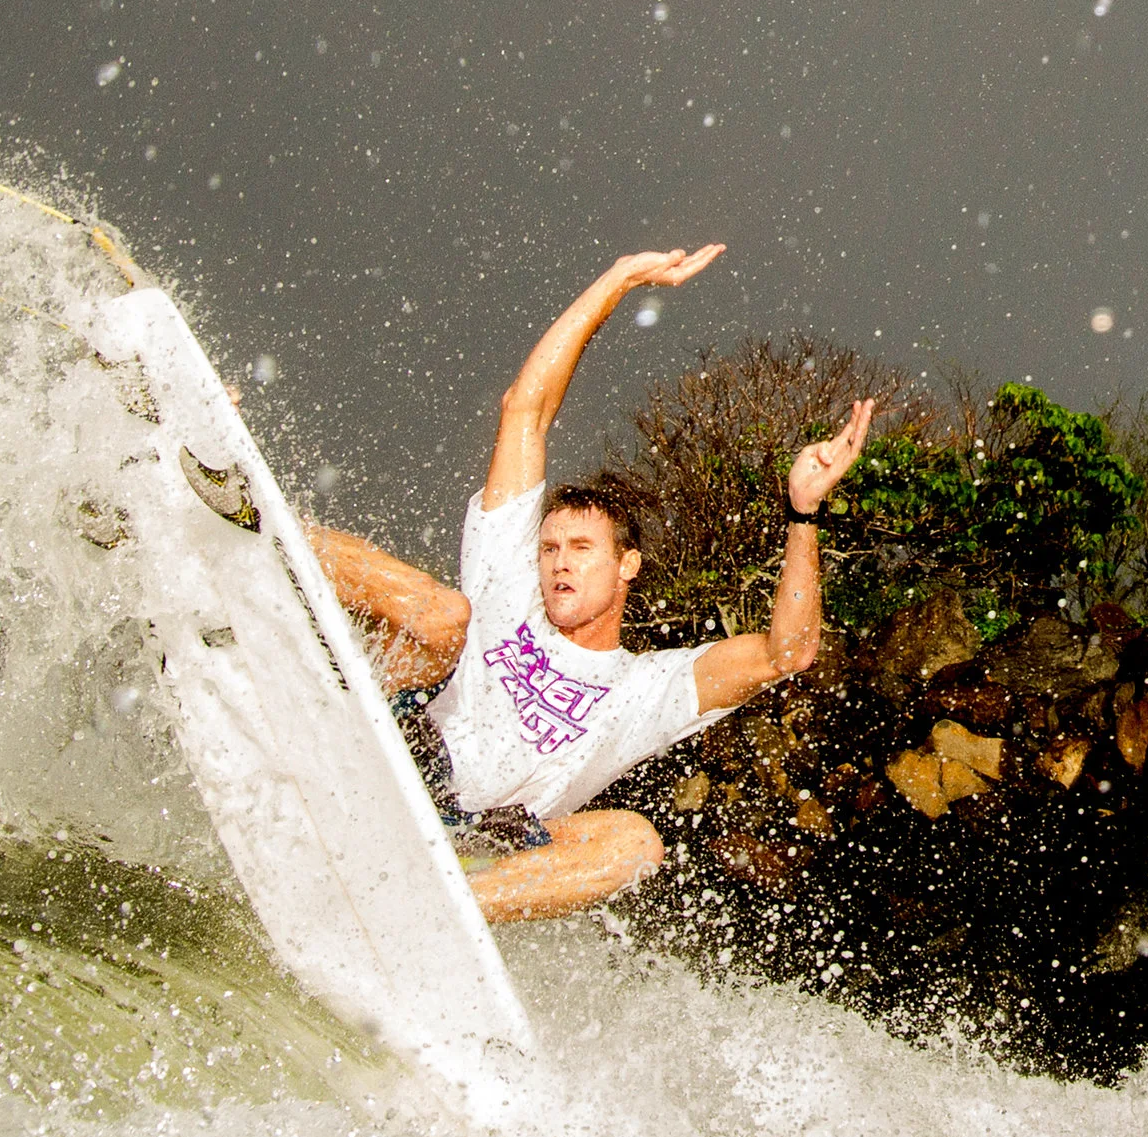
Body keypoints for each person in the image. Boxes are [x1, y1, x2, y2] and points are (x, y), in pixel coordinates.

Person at [311, 247, 874, 922]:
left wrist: (803, 510)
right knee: (443, 614)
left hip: (469, 838)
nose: (558, 562)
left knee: (635, 842)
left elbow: (790, 653)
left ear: (627, 564)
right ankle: (265, 536)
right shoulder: (505, 589)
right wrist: (618, 280)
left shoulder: (645, 690)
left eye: (580, 547)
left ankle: (438, 910)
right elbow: (526, 408)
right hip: (393, 747)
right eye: (549, 546)